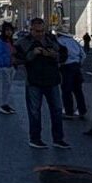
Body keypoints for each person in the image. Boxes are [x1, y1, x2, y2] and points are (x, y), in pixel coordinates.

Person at [14, 18, 69, 150]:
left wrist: (53, 55)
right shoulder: (24, 42)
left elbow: (63, 55)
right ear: (31, 30)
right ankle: (35, 138)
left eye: (42, 31)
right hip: (34, 81)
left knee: (57, 110)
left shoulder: (51, 40)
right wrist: (32, 54)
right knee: (34, 112)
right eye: (37, 31)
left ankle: (58, 139)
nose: (40, 34)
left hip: (52, 80)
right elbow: (16, 60)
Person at [56, 32, 87, 119]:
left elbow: (58, 55)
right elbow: (83, 55)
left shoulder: (59, 41)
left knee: (66, 90)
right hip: (76, 66)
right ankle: (81, 110)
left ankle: (68, 111)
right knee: (78, 90)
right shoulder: (74, 42)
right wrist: (79, 64)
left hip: (66, 67)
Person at [0, 22, 17, 115]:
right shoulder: (0, 41)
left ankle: (6, 104)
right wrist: (4, 65)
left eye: (10, 30)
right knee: (5, 86)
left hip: (11, 66)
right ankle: (3, 105)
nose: (9, 32)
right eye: (7, 30)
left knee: (8, 86)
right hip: (3, 67)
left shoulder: (10, 41)